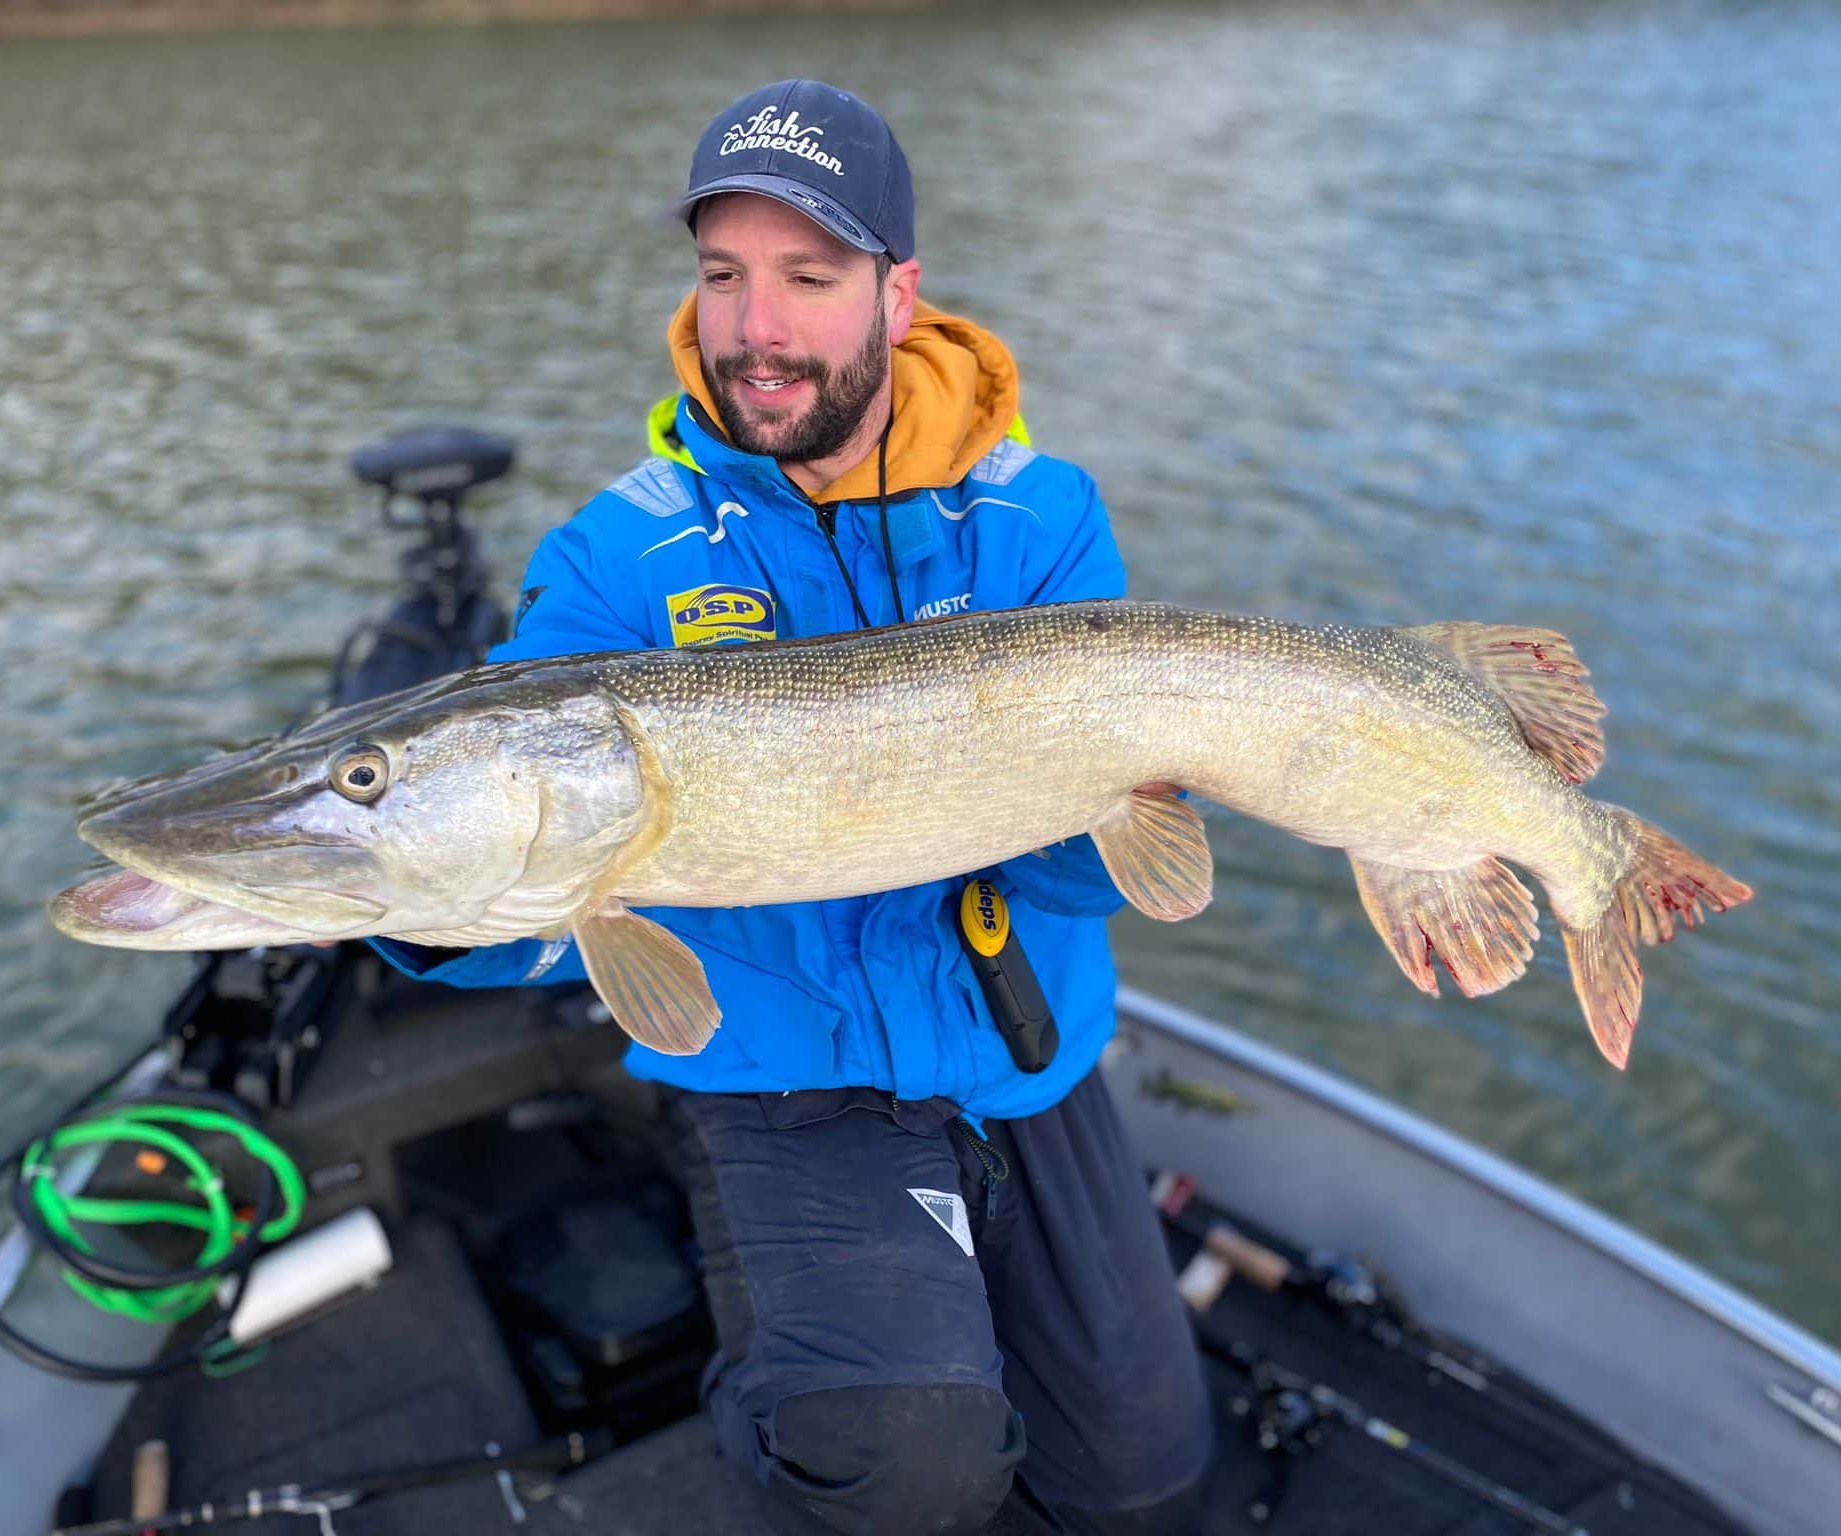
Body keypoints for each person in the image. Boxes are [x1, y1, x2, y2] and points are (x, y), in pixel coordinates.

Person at [372, 80, 1212, 1536]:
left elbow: (1093, 879)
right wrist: (413, 902)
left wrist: (1129, 792)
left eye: (809, 278)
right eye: (723, 275)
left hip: (1020, 1052)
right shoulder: (617, 557)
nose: (754, 327)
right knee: (895, 1463)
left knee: (1143, 1487)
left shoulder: (1039, 517)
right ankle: (774, 1405)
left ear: (897, 294)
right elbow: (534, 869)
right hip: (781, 1070)